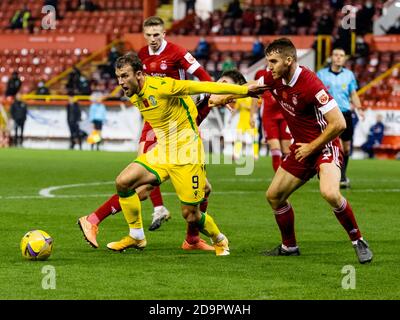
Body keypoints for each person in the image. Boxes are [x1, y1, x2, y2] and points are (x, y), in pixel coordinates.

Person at [106, 53, 266, 255]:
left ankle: (219, 239)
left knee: (190, 215)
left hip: (186, 155)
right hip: (163, 152)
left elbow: (204, 86)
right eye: (118, 77)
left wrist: (243, 90)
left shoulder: (163, 86)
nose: (120, 82)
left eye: (124, 76)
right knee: (123, 182)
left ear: (139, 74)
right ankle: (136, 236)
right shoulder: (135, 92)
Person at [77, 16, 215, 251]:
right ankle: (97, 220)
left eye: (157, 35)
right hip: (156, 124)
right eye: (149, 35)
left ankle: (189, 237)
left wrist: (202, 98)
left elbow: (204, 78)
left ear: (164, 34)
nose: (153, 39)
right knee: (140, 186)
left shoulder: (177, 52)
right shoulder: (140, 55)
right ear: (144, 35)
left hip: (178, 122)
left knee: (201, 188)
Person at [255, 38, 372, 264]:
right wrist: (220, 95)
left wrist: (311, 146)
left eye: (273, 61)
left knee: (330, 193)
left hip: (323, 146)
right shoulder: (274, 77)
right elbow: (251, 86)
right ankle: (289, 247)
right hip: (302, 148)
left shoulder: (310, 83)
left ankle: (358, 240)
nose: (269, 67)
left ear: (289, 60)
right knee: (274, 196)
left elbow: (339, 123)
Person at [317, 47, 364, 189]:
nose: (338, 57)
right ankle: (330, 175)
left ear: (344, 59)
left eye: (341, 55)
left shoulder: (349, 75)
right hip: (328, 114)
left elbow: (353, 93)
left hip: (345, 114)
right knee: (328, 146)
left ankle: (342, 175)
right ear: (331, 57)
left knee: (346, 148)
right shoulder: (321, 74)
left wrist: (359, 108)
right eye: (336, 55)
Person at [255, 69, 292, 172]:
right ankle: (278, 179)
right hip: (269, 116)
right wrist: (252, 115)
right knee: (275, 150)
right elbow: (255, 94)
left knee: (287, 151)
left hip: (285, 115)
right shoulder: (260, 73)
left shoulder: (285, 72)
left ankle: (286, 178)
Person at [232, 96, 259, 160]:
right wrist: (231, 117)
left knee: (255, 138)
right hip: (242, 121)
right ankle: (236, 155)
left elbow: (256, 108)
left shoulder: (253, 97)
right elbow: (236, 109)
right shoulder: (240, 98)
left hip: (251, 120)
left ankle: (255, 154)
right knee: (238, 138)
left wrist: (245, 106)